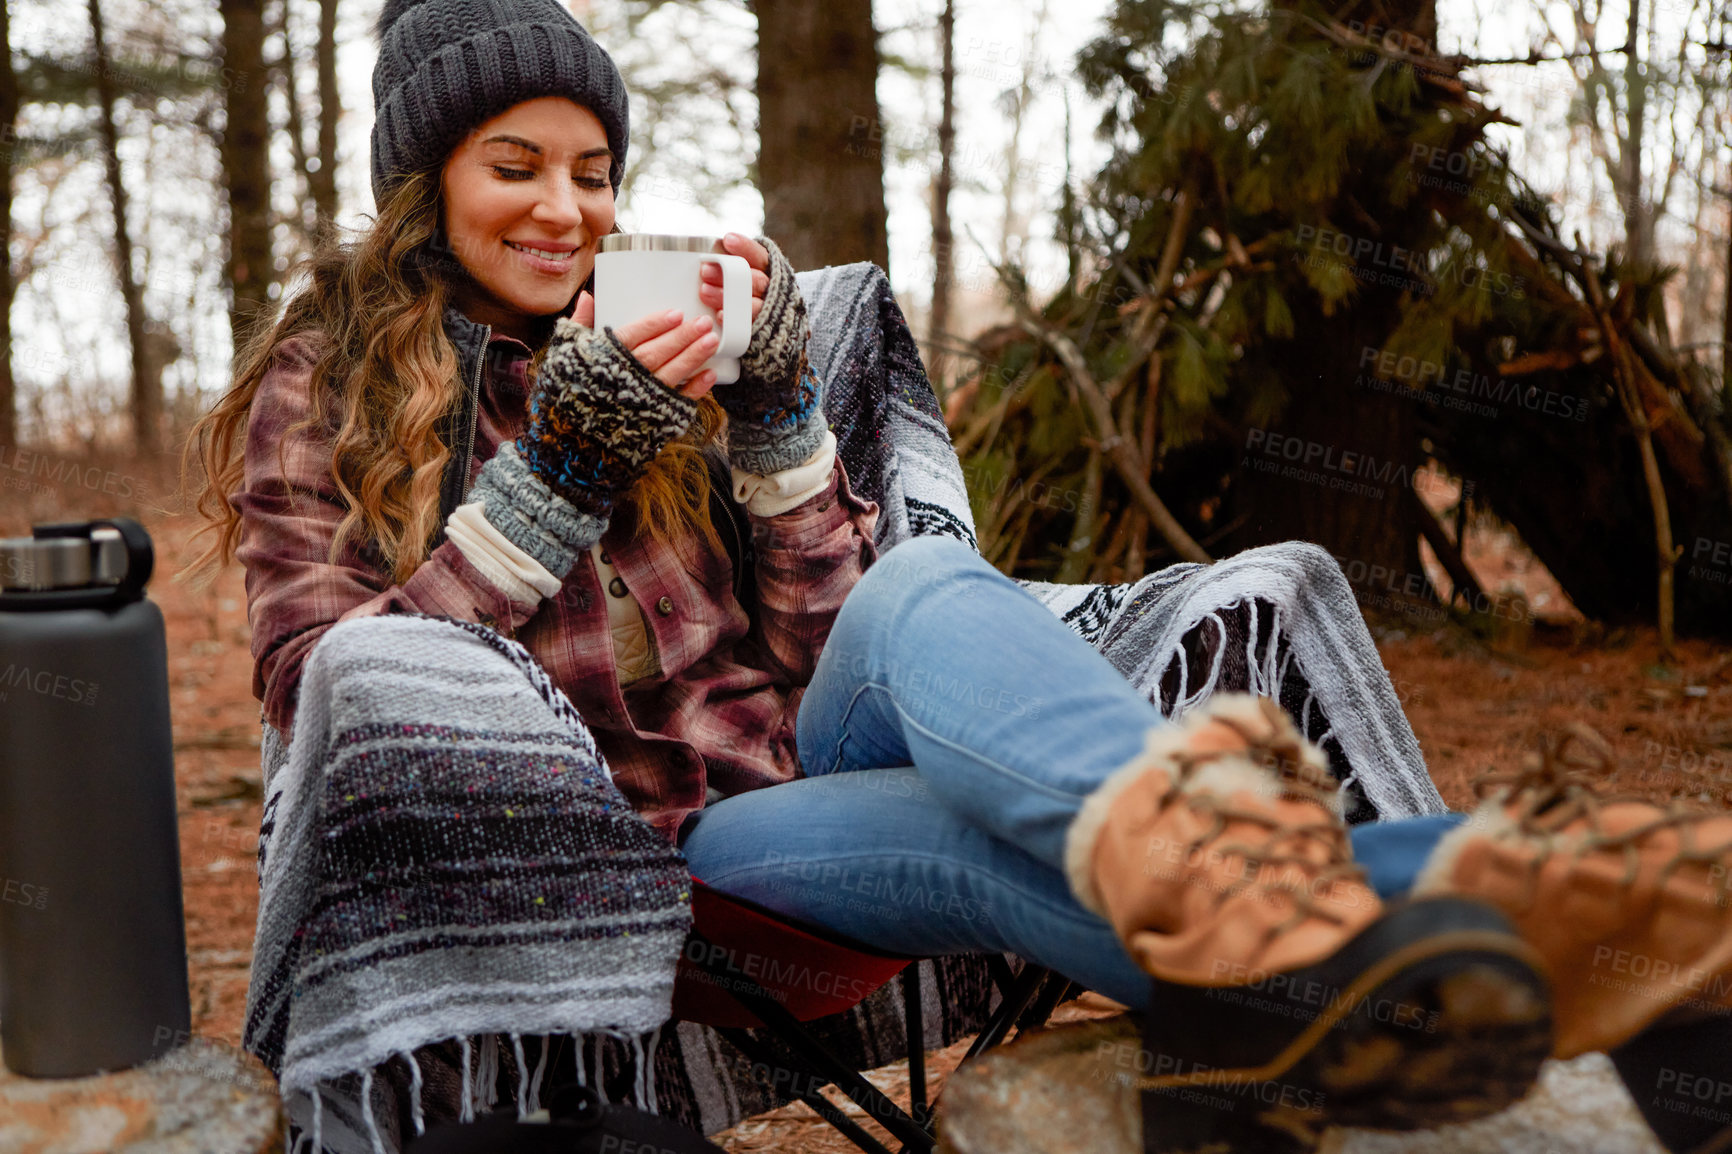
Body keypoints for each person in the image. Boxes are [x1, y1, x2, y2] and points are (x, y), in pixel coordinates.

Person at [183, 1, 1732, 1150]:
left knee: (921, 592)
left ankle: (1256, 891)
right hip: (678, 845)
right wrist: (560, 473)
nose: (567, 209)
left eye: (594, 171)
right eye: (514, 165)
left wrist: (781, 417)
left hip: (811, 727)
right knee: (993, 844)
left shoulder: (647, 335)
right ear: (426, 181)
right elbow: (335, 690)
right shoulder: (329, 383)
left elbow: (820, 627)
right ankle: (1564, 911)